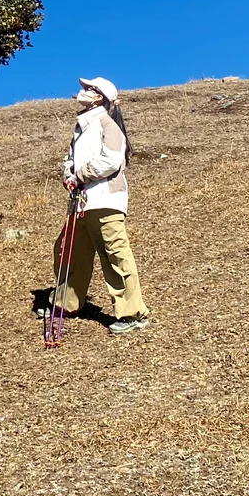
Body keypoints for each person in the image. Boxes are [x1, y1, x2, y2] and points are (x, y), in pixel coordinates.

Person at [52, 76, 149, 336]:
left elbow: (112, 160)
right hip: (82, 203)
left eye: (88, 89)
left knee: (115, 254)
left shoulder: (107, 125)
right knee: (69, 251)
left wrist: (79, 175)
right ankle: (67, 303)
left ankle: (133, 313)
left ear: (98, 97)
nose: (81, 91)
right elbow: (69, 160)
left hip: (105, 200)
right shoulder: (81, 127)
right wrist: (68, 174)